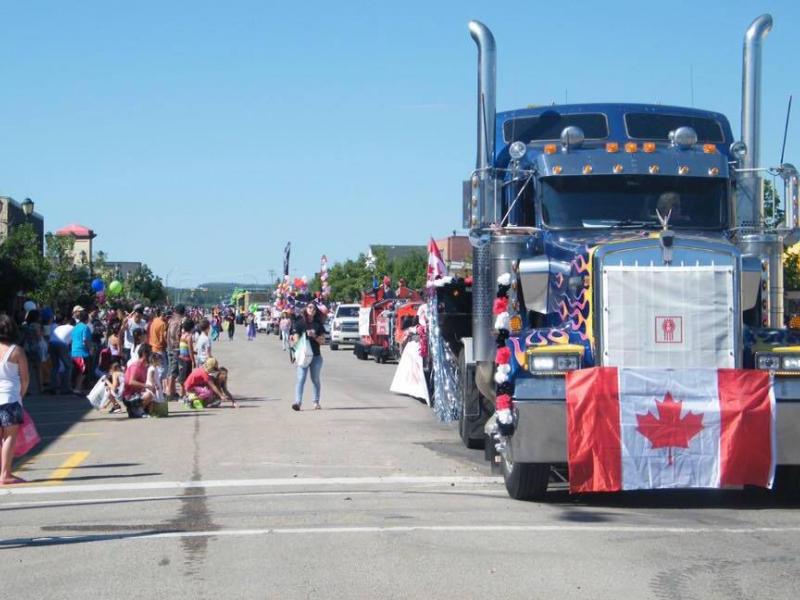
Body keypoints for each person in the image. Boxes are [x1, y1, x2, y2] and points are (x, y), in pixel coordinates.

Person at [0, 315, 28, 485]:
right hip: (10, 398)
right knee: (9, 437)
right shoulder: (16, 351)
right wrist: (20, 396)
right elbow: (25, 379)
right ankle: (5, 474)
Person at [290, 302, 326, 411]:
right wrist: (298, 338)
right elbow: (295, 340)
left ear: (316, 311)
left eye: (314, 308)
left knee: (315, 379)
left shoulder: (318, 325)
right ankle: (298, 402)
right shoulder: (299, 323)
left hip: (315, 356)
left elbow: (323, 341)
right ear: (306, 309)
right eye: (310, 307)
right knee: (301, 378)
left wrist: (314, 336)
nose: (312, 309)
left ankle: (316, 402)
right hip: (303, 357)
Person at [122, 343, 154, 418]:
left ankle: (135, 410)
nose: (151, 355)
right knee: (149, 395)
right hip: (129, 396)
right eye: (150, 353)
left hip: (138, 394)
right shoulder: (136, 366)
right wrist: (146, 386)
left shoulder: (145, 366)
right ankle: (136, 410)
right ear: (144, 354)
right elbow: (131, 382)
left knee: (154, 402)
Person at [20, 309, 43, 396]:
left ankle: (26, 389)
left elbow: (22, 337)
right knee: (38, 369)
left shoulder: (24, 326)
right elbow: (39, 336)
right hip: (36, 348)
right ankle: (41, 388)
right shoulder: (37, 325)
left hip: (27, 348)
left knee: (28, 370)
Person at [48, 315, 73, 395]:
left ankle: (53, 387)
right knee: (68, 366)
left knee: (55, 366)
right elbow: (73, 342)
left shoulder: (59, 327)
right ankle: (65, 388)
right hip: (62, 344)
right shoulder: (73, 328)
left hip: (51, 343)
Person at [166, 305, 185, 400]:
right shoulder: (179, 321)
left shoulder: (171, 320)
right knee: (173, 371)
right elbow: (176, 335)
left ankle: (172, 392)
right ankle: (170, 393)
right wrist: (179, 344)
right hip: (175, 349)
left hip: (170, 347)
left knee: (171, 370)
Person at [70, 310, 92, 395]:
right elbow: (85, 340)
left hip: (74, 351)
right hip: (82, 352)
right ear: (87, 318)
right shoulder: (85, 327)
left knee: (78, 371)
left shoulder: (75, 327)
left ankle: (77, 388)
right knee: (82, 371)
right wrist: (90, 349)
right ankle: (77, 389)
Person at [177, 319, 196, 400]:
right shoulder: (189, 337)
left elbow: (185, 348)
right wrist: (193, 361)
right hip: (187, 360)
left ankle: (183, 395)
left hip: (181, 359)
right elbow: (190, 350)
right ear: (191, 328)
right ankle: (184, 395)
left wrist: (195, 352)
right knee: (187, 379)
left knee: (182, 378)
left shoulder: (183, 335)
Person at [148, 308, 168, 374]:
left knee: (155, 367)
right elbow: (163, 338)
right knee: (163, 369)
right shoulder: (162, 324)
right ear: (165, 316)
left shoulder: (154, 320)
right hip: (160, 348)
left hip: (153, 347)